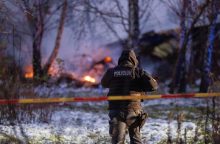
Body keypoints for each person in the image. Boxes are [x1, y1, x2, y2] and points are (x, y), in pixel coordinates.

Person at [101, 50, 158, 144]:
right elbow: (153, 86)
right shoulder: (139, 72)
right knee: (136, 140)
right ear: (134, 60)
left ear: (120, 59)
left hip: (116, 111)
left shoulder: (111, 72)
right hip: (133, 111)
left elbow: (104, 83)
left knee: (117, 141)